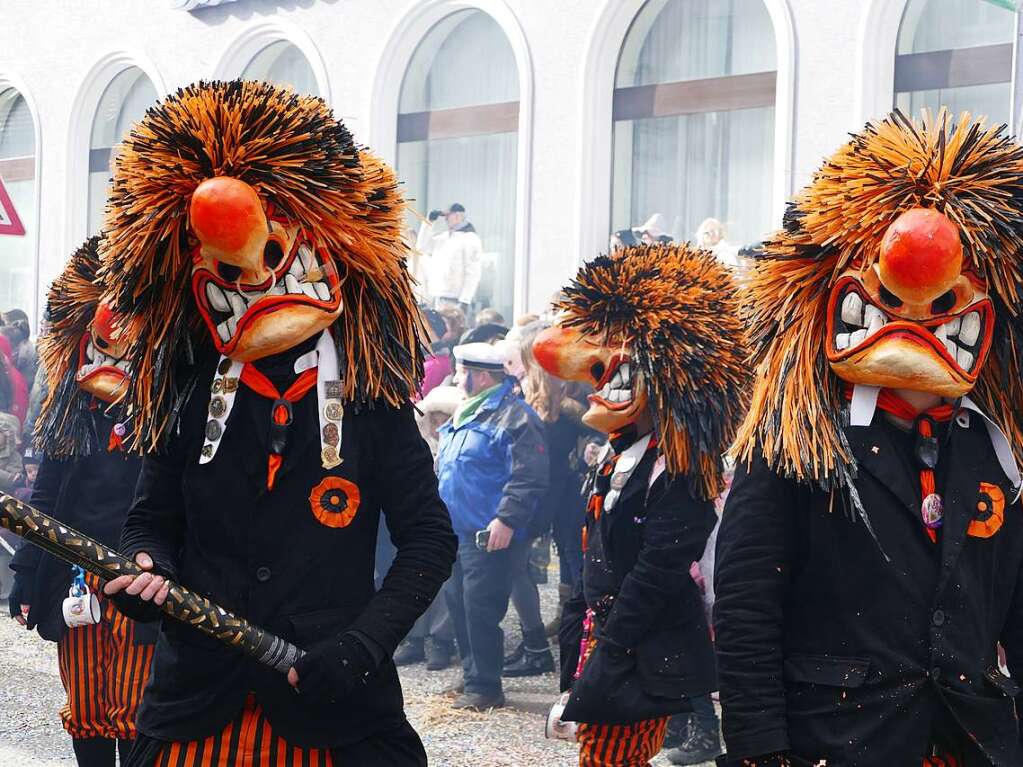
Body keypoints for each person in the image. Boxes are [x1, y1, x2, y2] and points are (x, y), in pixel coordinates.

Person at [95, 80, 457, 767]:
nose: (251, 279)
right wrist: (148, 571)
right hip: (198, 706)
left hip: (333, 708)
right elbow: (150, 520)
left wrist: (360, 646)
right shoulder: (189, 388)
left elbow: (429, 541)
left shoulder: (369, 398)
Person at [717, 110, 1023, 766]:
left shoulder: (996, 450)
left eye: (942, 304)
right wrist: (758, 750)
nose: (917, 305)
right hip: (835, 742)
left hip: (967, 741)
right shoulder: (793, 442)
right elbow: (746, 608)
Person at [533, 242, 748, 767]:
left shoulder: (678, 473)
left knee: (610, 760)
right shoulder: (621, 453)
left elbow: (655, 575)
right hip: (606, 640)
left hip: (641, 651)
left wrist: (607, 656)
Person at [8, 238, 153, 767]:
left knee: (137, 707)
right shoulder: (74, 413)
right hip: (78, 575)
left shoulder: (166, 419)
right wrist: (26, 572)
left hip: (144, 576)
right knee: (88, 704)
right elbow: (44, 496)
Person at [437, 341, 549, 710]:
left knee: (481, 609)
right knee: (459, 605)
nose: (457, 377)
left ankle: (486, 686)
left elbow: (529, 477)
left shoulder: (517, 417)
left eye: (463, 372)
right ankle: (473, 676)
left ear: (482, 376)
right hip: (456, 531)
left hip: (489, 534)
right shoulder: (468, 412)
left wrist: (507, 519)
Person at [503, 321, 591, 677]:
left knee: (560, 560)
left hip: (549, 495)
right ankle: (558, 634)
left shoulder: (556, 400)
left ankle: (554, 640)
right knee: (564, 560)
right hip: (552, 492)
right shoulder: (545, 397)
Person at [392, 384, 465, 671]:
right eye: (434, 418)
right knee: (415, 579)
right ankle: (414, 639)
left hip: (452, 522)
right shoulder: (419, 444)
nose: (438, 424)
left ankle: (441, 642)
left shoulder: (456, 443)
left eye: (444, 418)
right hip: (420, 523)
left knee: (445, 587)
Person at [415, 202, 483, 313]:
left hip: (456, 300)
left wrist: (465, 300)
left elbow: (473, 272)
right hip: (438, 297)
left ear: (458, 216)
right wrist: (429, 221)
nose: (445, 219)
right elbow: (421, 247)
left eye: (448, 216)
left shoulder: (470, 239)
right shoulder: (443, 238)